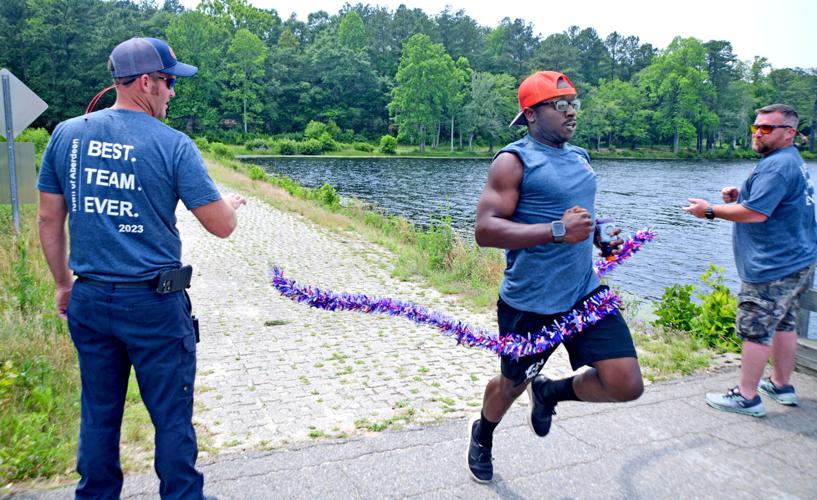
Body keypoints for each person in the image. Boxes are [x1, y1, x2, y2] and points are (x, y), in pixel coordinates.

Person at [37, 37, 247, 499]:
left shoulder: (66, 135)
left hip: (90, 298)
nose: (173, 92)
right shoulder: (174, 145)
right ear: (146, 82)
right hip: (153, 304)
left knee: (99, 410)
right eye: (169, 82)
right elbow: (221, 227)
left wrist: (62, 284)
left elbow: (49, 218)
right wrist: (228, 203)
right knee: (171, 413)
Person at [467, 70, 644, 483]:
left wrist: (599, 236)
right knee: (510, 386)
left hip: (584, 293)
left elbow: (581, 215)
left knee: (626, 383)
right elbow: (485, 230)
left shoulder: (580, 157)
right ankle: (484, 433)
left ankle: (549, 392)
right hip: (530, 302)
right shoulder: (513, 161)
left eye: (574, 104)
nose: (571, 112)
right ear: (530, 115)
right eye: (560, 105)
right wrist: (557, 231)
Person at [683, 103, 816, 417]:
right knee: (784, 321)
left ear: (789, 133)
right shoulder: (790, 160)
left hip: (772, 264)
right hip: (798, 258)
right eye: (756, 126)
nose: (758, 132)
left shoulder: (777, 164)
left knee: (755, 326)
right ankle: (781, 385)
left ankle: (746, 397)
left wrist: (711, 210)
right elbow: (771, 199)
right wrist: (742, 194)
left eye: (767, 128)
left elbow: (756, 214)